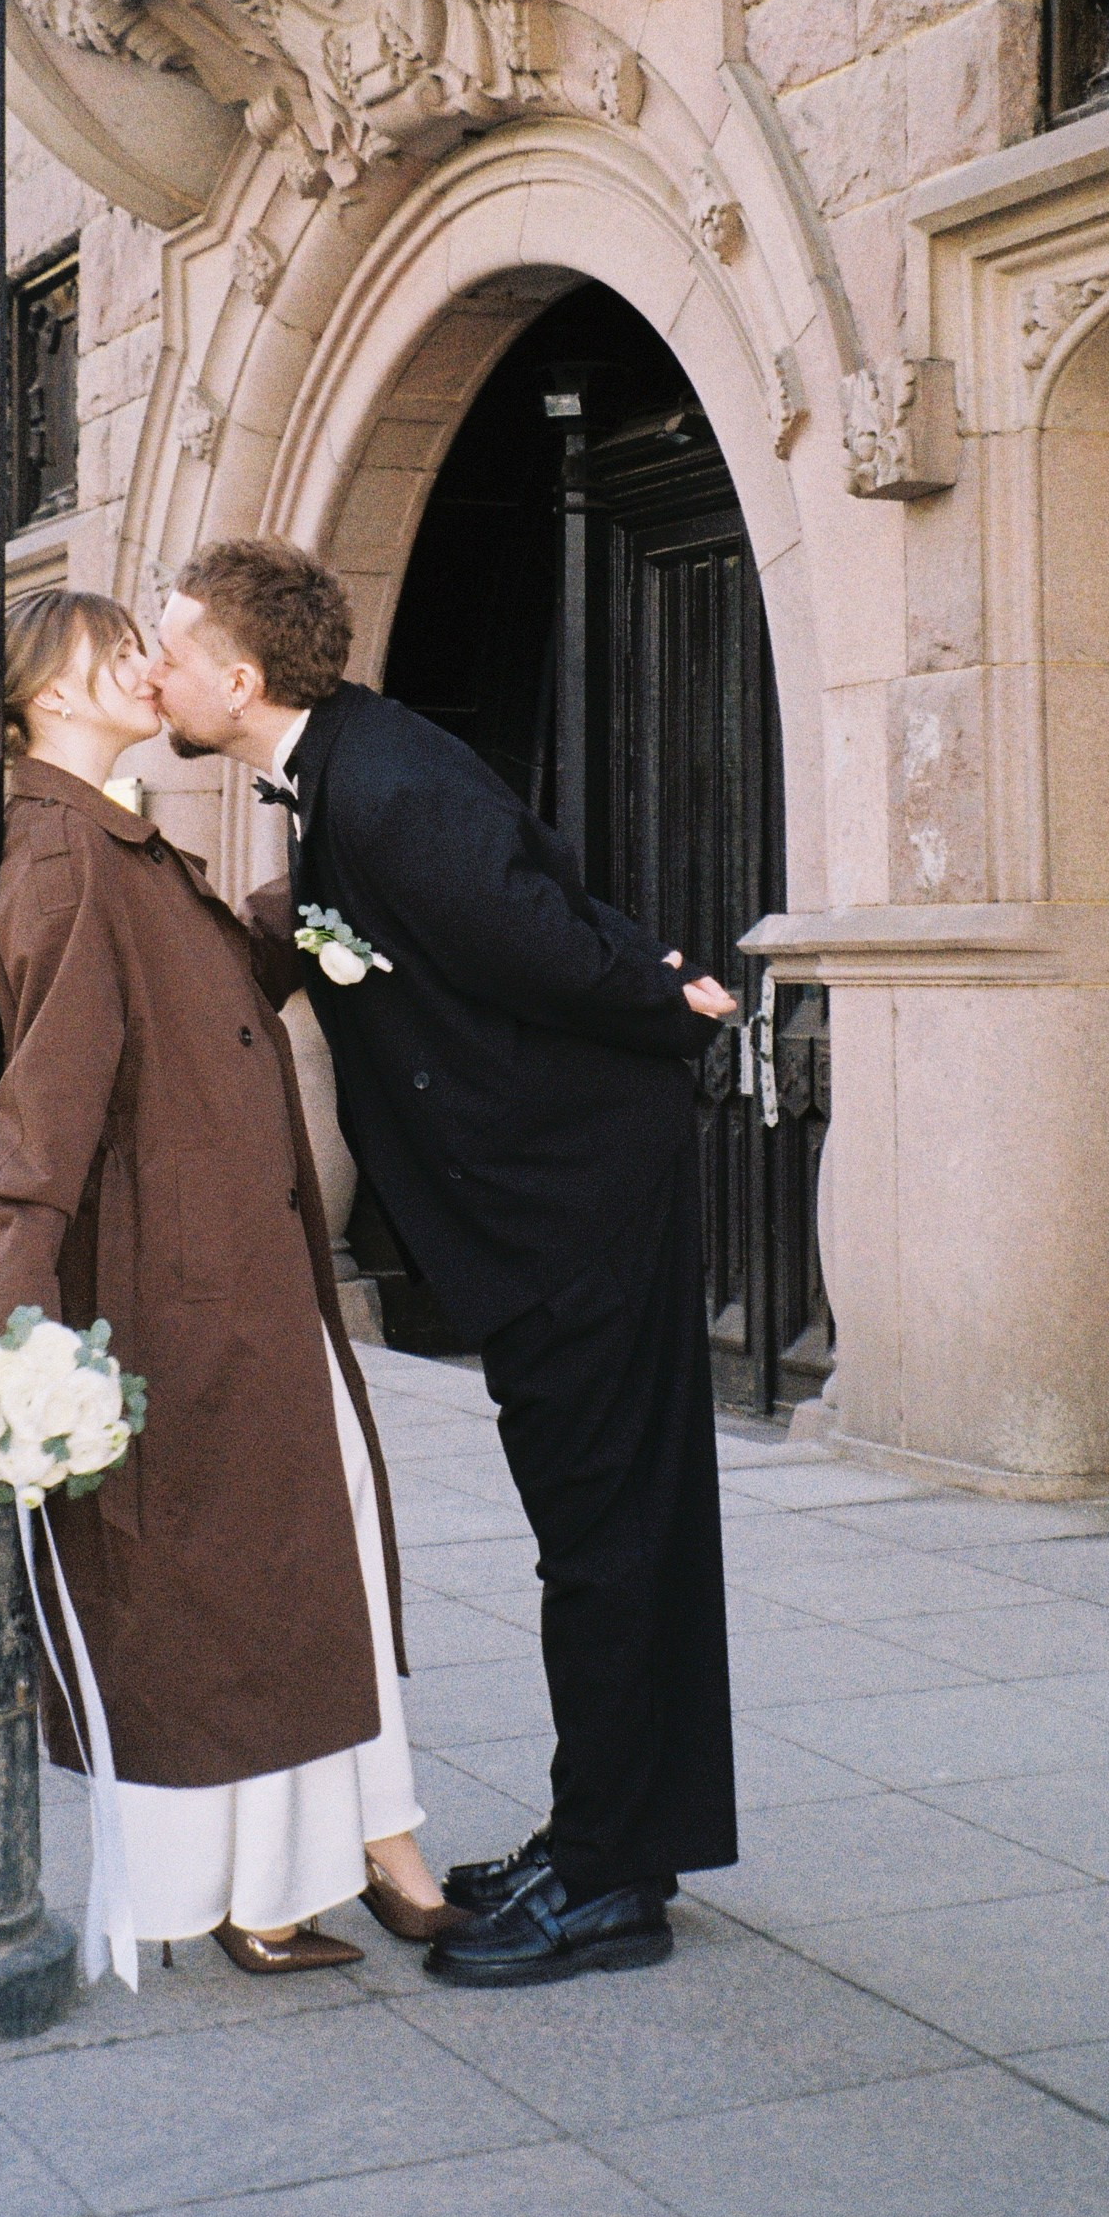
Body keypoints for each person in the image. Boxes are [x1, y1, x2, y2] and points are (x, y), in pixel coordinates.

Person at [150, 535, 742, 1989]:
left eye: (165, 647)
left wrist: (674, 999)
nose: (150, 669)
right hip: (546, 1200)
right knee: (604, 1536)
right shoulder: (343, 771)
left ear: (238, 676)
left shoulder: (386, 780)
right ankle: (608, 1830)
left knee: (608, 1541)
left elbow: (533, 934)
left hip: (571, 1201)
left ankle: (613, 1880)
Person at [0, 586, 465, 1973]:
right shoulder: (60, 853)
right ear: (46, 695)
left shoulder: (118, 842)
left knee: (302, 1557)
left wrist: (336, 879)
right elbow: (41, 1102)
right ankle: (274, 1887)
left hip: (233, 1273)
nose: (140, 661)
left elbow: (221, 974)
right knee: (259, 1580)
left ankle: (321, 1866)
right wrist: (11, 1320)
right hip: (186, 1292)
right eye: (111, 648)